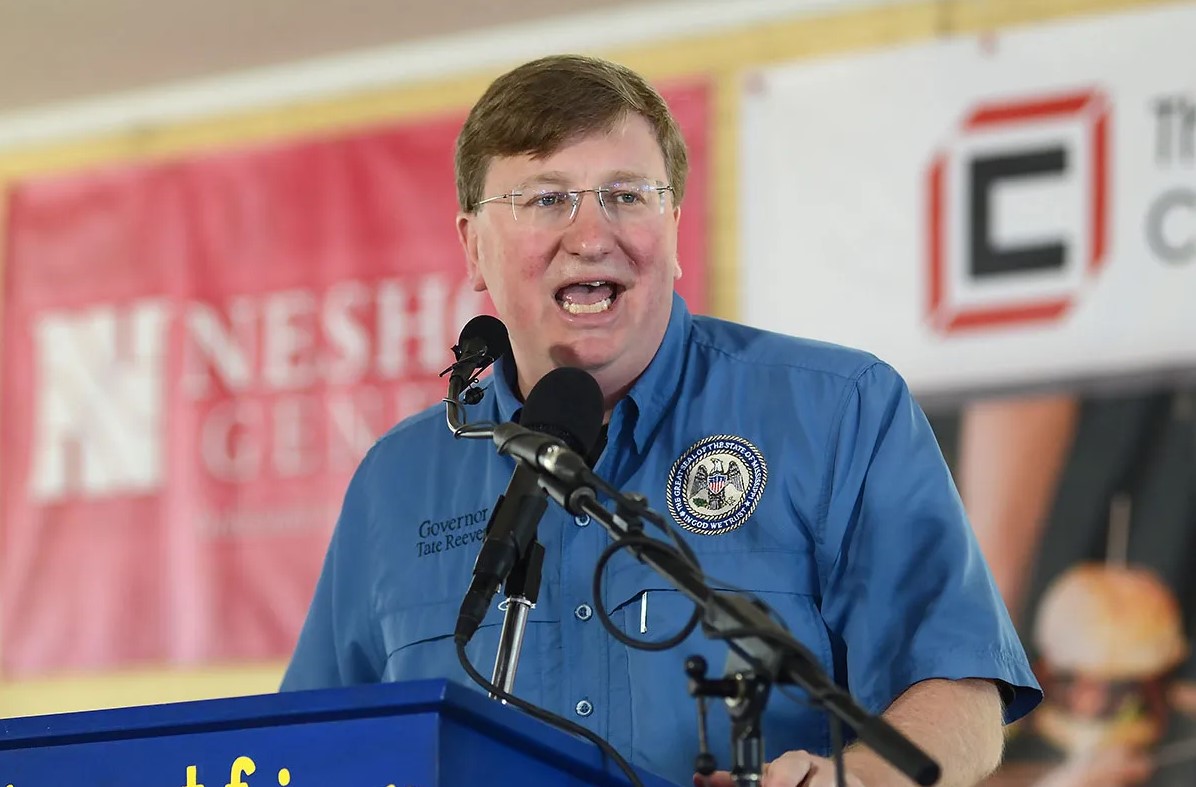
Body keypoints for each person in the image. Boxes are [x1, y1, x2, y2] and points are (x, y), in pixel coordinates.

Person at [280, 53, 1042, 787]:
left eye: (626, 195)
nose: (590, 236)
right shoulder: (397, 479)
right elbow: (309, 749)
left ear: (673, 225)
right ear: (474, 246)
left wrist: (862, 777)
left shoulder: (839, 410)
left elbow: (964, 693)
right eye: (545, 199)